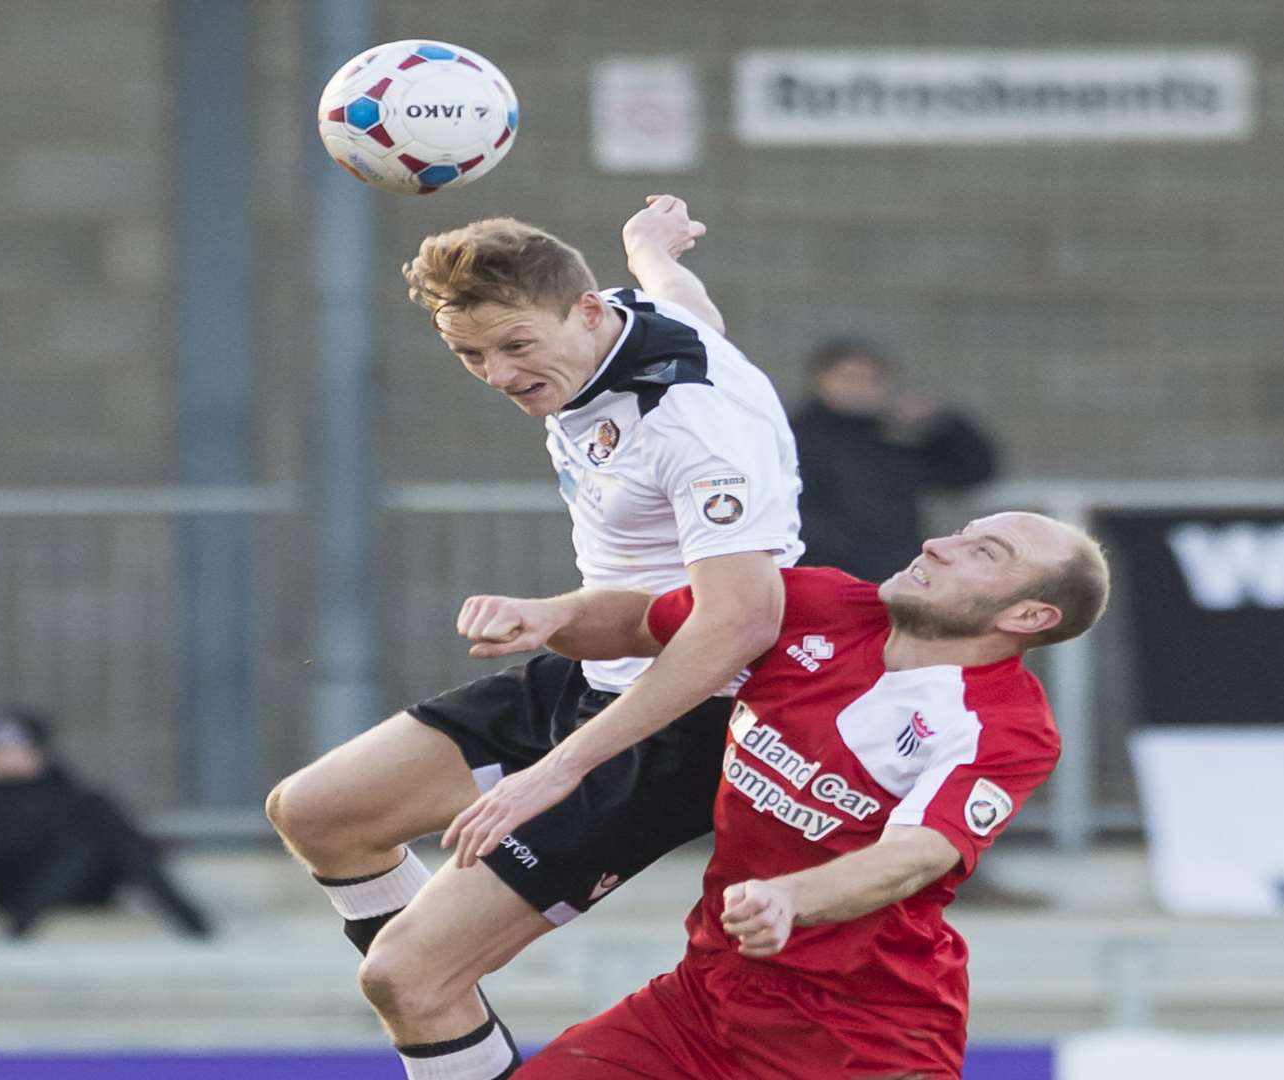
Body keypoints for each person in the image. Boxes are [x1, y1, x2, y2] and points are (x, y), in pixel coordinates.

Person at [264, 195, 802, 1080]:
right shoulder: (631, 318)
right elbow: (686, 298)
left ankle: (435, 993)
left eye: (516, 345)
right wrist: (646, 243)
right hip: (598, 662)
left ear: (587, 311)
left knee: (406, 976)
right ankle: (446, 1003)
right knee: (320, 810)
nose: (498, 372)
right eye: (468, 353)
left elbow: (743, 624)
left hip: (690, 711)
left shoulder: (698, 425)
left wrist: (560, 770)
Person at [444, 512, 1109, 1079]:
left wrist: (793, 896)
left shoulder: (1006, 726)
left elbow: (916, 856)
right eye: (962, 533)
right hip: (705, 996)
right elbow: (644, 620)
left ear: (1028, 615)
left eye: (984, 553)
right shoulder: (815, 602)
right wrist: (550, 615)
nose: (940, 545)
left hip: (862, 1032)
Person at [0, 706, 211, 939]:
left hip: (76, 887)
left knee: (94, 837)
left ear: (39, 754)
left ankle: (192, 923)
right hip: (3, 887)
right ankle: (17, 926)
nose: (8, 760)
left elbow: (128, 849)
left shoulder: (79, 801)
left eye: (18, 751)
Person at [791, 338, 998, 583]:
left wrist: (946, 425)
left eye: (870, 380)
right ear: (820, 379)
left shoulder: (891, 440)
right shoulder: (794, 439)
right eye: (848, 377)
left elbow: (971, 472)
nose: (858, 388)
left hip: (892, 576)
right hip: (825, 577)